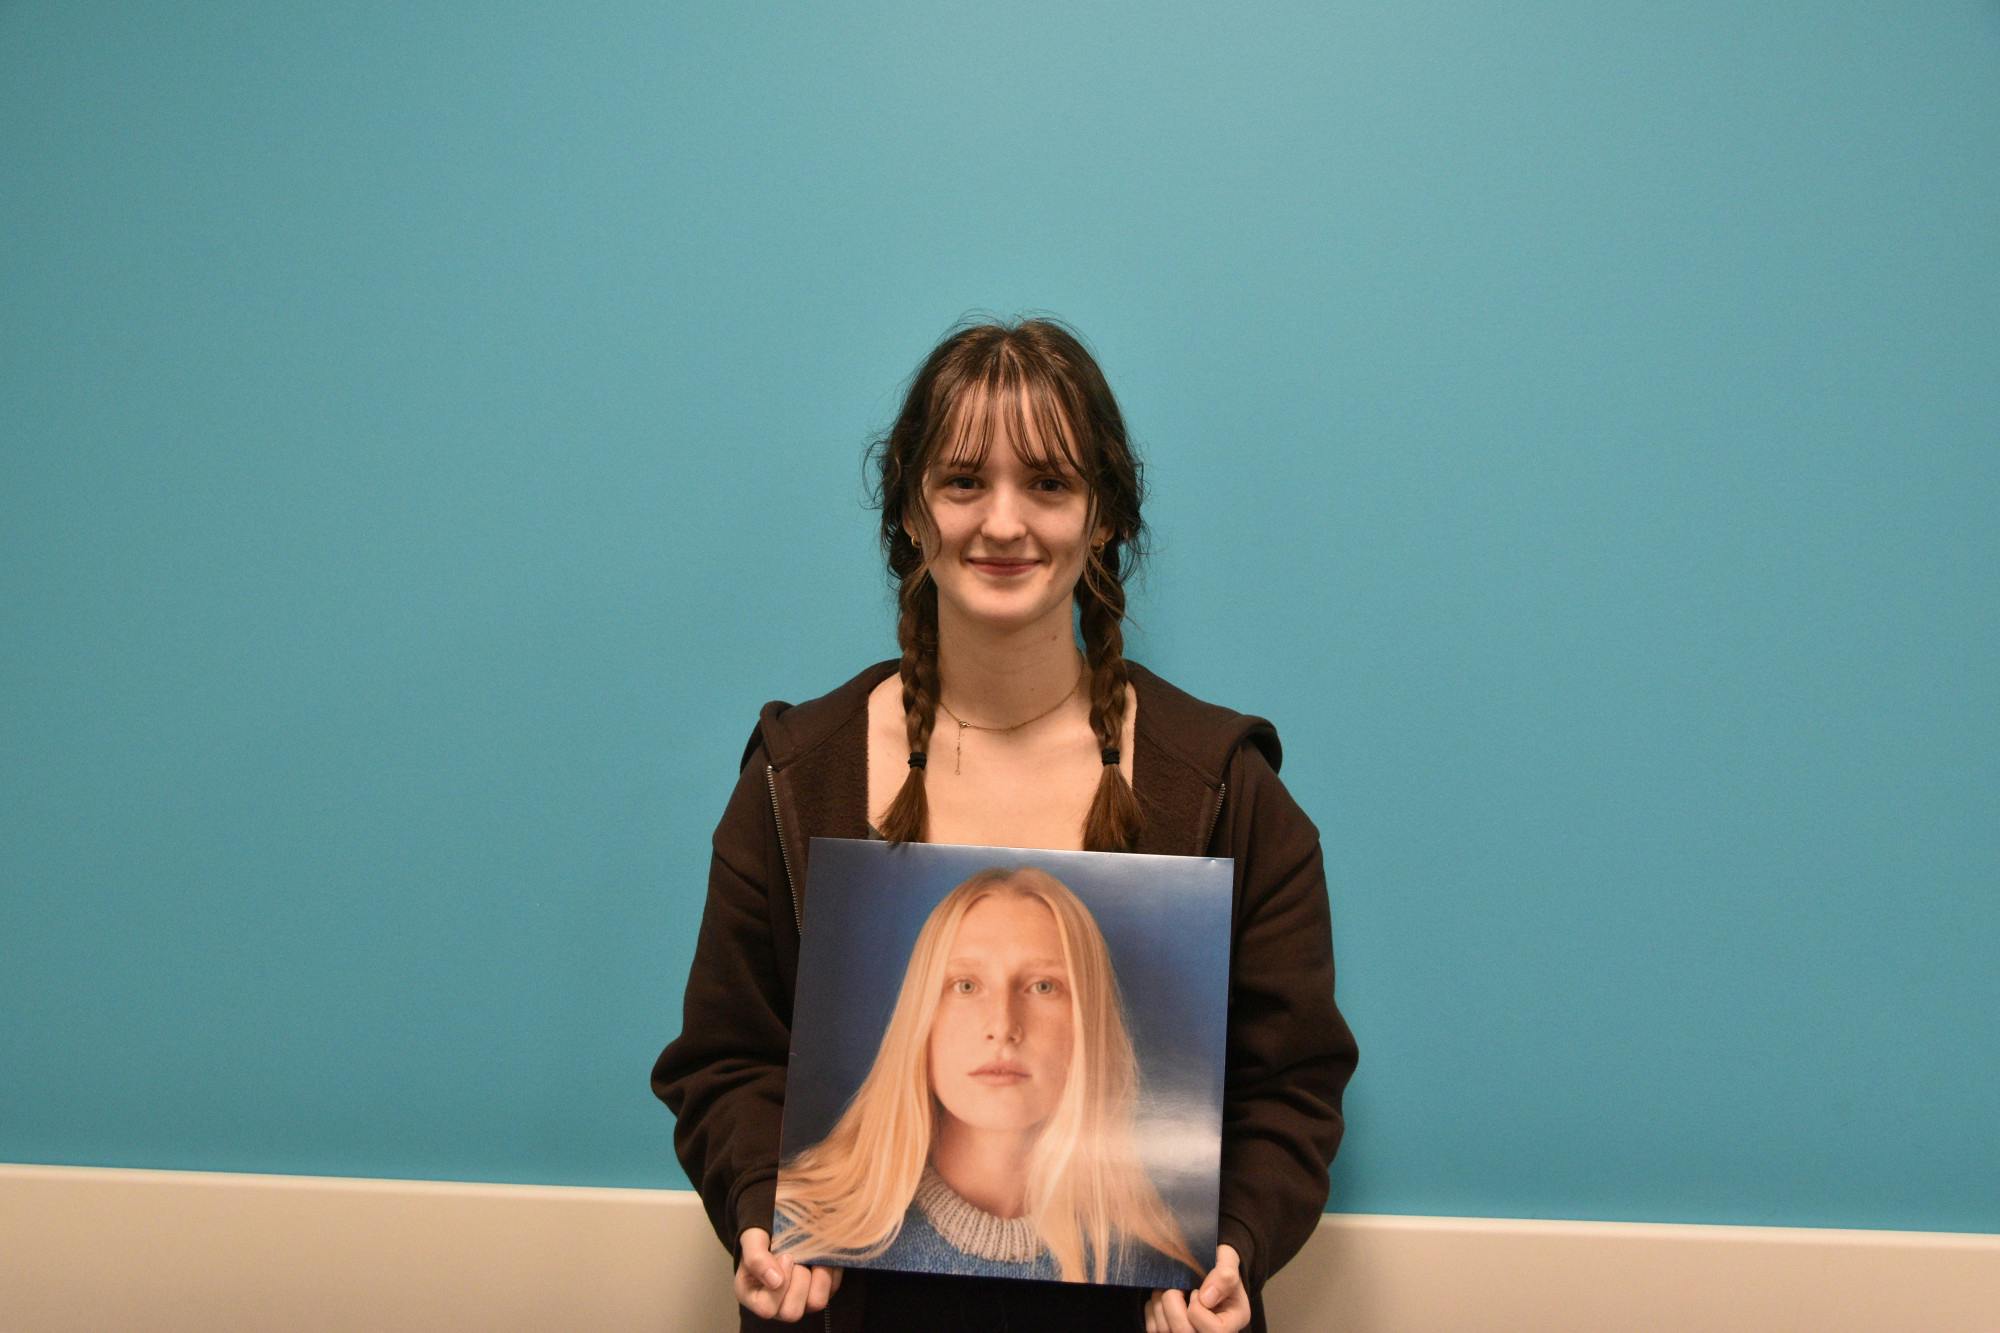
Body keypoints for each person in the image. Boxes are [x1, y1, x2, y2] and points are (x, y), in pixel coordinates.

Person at [652, 316, 1359, 1333]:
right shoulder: (791, 778)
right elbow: (724, 1061)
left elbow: (1289, 1089)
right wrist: (764, 1216)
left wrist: (1233, 1245)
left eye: (1049, 483)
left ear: (1105, 513)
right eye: (960, 482)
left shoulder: (1225, 789)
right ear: (907, 508)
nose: (1002, 522)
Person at [771, 865, 1200, 1290]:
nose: (1002, 1025)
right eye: (965, 985)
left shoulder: (1156, 1273)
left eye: (1043, 986)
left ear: (1090, 1027)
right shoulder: (798, 1236)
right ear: (921, 1020)